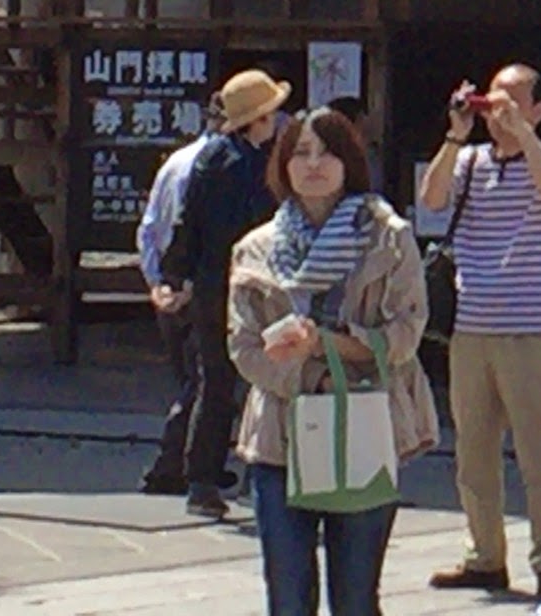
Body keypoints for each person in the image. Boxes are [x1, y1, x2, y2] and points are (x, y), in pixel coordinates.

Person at [226, 107, 437, 616]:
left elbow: (406, 334)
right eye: (301, 152)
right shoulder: (256, 248)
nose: (314, 164)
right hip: (280, 432)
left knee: (356, 599)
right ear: (282, 164)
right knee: (288, 597)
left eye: (327, 152)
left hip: (365, 421)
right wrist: (307, 375)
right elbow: (243, 347)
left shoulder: (388, 237)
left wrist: (327, 344)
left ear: (350, 162)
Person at [420, 64, 541, 601]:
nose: (500, 114)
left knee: (540, 451)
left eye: (513, 103)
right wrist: (455, 134)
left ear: (539, 110)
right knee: (473, 451)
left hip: (529, 329)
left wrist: (525, 137)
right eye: (494, 102)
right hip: (471, 328)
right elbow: (431, 199)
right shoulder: (470, 162)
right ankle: (484, 556)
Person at [160, 67, 290, 520]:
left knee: (214, 383)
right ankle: (258, 471)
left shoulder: (210, 158)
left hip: (210, 285)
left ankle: (202, 480)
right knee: (263, 379)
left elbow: (186, 224)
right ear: (259, 119)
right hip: (253, 284)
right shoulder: (257, 165)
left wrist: (175, 275)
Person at [137, 95, 224, 498]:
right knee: (204, 380)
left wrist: (156, 283)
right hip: (196, 281)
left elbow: (148, 228)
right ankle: (173, 465)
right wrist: (187, 286)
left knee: (194, 379)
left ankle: (190, 463)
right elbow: (201, 234)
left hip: (170, 277)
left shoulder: (176, 160)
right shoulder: (217, 165)